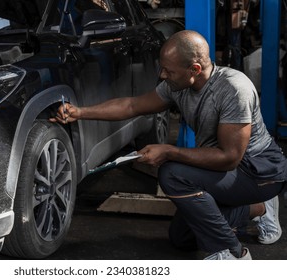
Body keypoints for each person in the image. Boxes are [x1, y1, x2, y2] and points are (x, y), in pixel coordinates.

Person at [50, 30, 287, 260]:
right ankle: (258, 208)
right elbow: (133, 106)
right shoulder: (178, 85)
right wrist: (79, 112)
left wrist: (169, 151)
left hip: (258, 171)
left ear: (194, 69)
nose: (163, 75)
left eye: (169, 70)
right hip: (225, 171)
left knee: (172, 173)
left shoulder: (234, 89)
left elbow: (229, 157)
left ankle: (234, 254)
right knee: (181, 238)